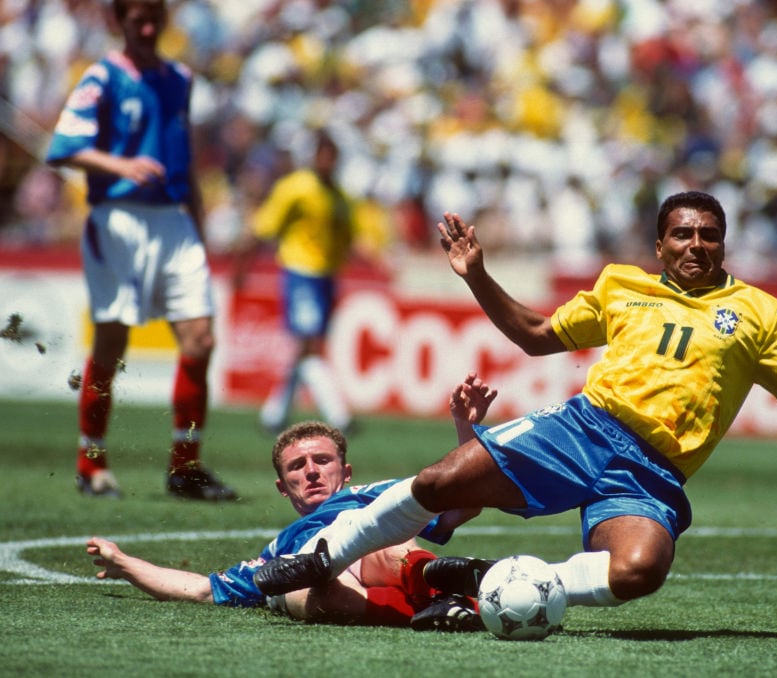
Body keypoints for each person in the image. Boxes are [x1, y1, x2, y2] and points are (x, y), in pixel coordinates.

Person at [253, 190, 777, 618]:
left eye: (709, 236)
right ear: (659, 246)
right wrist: (475, 273)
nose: (697, 245)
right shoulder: (621, 286)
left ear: (725, 244)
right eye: (683, 234)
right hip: (584, 429)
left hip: (653, 472)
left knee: (640, 570)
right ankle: (317, 560)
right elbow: (534, 336)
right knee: (441, 480)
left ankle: (510, 585)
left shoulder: (763, 314)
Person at [86, 372, 498, 630]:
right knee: (301, 591)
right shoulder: (278, 549)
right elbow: (200, 590)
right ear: (284, 488)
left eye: (322, 460)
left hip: (377, 548)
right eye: (297, 467)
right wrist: (124, 564)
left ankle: (435, 579)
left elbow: (463, 500)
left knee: (380, 534)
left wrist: (465, 428)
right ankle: (443, 609)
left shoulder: (366, 495)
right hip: (321, 576)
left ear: (346, 472)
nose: (312, 471)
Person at [45, 0, 233, 500]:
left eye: (155, 18)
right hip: (118, 219)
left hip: (174, 220)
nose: (148, 28)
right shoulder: (102, 78)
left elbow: (184, 156)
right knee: (112, 341)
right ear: (118, 21)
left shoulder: (179, 78)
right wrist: (120, 166)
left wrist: (198, 224)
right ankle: (91, 461)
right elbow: (61, 147)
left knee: (201, 339)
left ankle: (185, 465)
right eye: (137, 19)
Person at [232, 130, 354, 435]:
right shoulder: (295, 189)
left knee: (307, 349)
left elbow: (348, 239)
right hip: (300, 272)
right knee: (308, 343)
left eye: (332, 156)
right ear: (314, 157)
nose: (328, 162)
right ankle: (338, 414)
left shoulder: (339, 196)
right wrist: (242, 267)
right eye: (323, 155)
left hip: (326, 277)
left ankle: (274, 414)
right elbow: (263, 227)